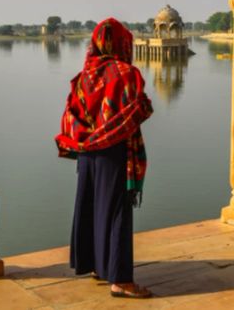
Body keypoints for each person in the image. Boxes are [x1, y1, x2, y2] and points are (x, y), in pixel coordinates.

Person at [55, 18, 154, 299]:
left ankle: (99, 266)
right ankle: (121, 280)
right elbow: (137, 108)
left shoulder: (83, 76)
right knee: (117, 212)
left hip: (87, 153)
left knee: (93, 206)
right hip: (115, 152)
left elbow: (70, 116)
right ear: (122, 43)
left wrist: (89, 139)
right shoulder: (126, 73)